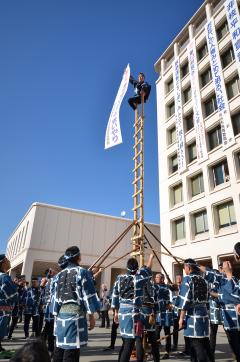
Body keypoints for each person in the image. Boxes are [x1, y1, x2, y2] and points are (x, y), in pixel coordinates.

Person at [53, 246, 100, 362]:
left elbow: (55, 299)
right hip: (75, 318)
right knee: (71, 352)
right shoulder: (82, 272)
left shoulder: (58, 276)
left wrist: (55, 316)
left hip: (60, 316)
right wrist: (91, 316)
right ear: (78, 257)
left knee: (60, 349)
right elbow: (88, 295)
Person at [111, 253, 154, 362]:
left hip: (121, 312)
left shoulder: (119, 278)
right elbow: (148, 270)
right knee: (129, 344)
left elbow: (115, 297)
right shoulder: (138, 279)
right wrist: (150, 257)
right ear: (137, 268)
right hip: (133, 313)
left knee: (126, 342)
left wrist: (115, 313)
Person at [200, 261, 240, 361]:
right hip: (215, 312)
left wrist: (214, 294)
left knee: (231, 336)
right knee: (213, 335)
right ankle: (211, 356)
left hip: (228, 314)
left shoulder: (232, 280)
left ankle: (235, 354)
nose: (220, 271)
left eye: (221, 268)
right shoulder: (213, 281)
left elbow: (228, 296)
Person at [176, 258, 213, 362]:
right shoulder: (204, 280)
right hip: (204, 315)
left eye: (184, 267)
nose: (184, 269)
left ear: (188, 267)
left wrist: (181, 319)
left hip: (193, 317)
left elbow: (184, 301)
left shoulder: (188, 279)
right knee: (205, 343)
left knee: (197, 345)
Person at [0, 254, 18, 352]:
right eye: (7, 259)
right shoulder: (4, 277)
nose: (9, 261)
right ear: (3, 263)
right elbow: (12, 294)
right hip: (3, 307)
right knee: (2, 326)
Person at [154, 273, 173, 359]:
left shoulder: (167, 287)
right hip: (157, 313)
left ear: (162, 279)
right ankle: (156, 349)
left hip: (166, 313)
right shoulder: (154, 287)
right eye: (155, 277)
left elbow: (172, 295)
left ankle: (167, 351)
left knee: (167, 332)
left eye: (157, 277)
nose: (155, 278)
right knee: (156, 332)